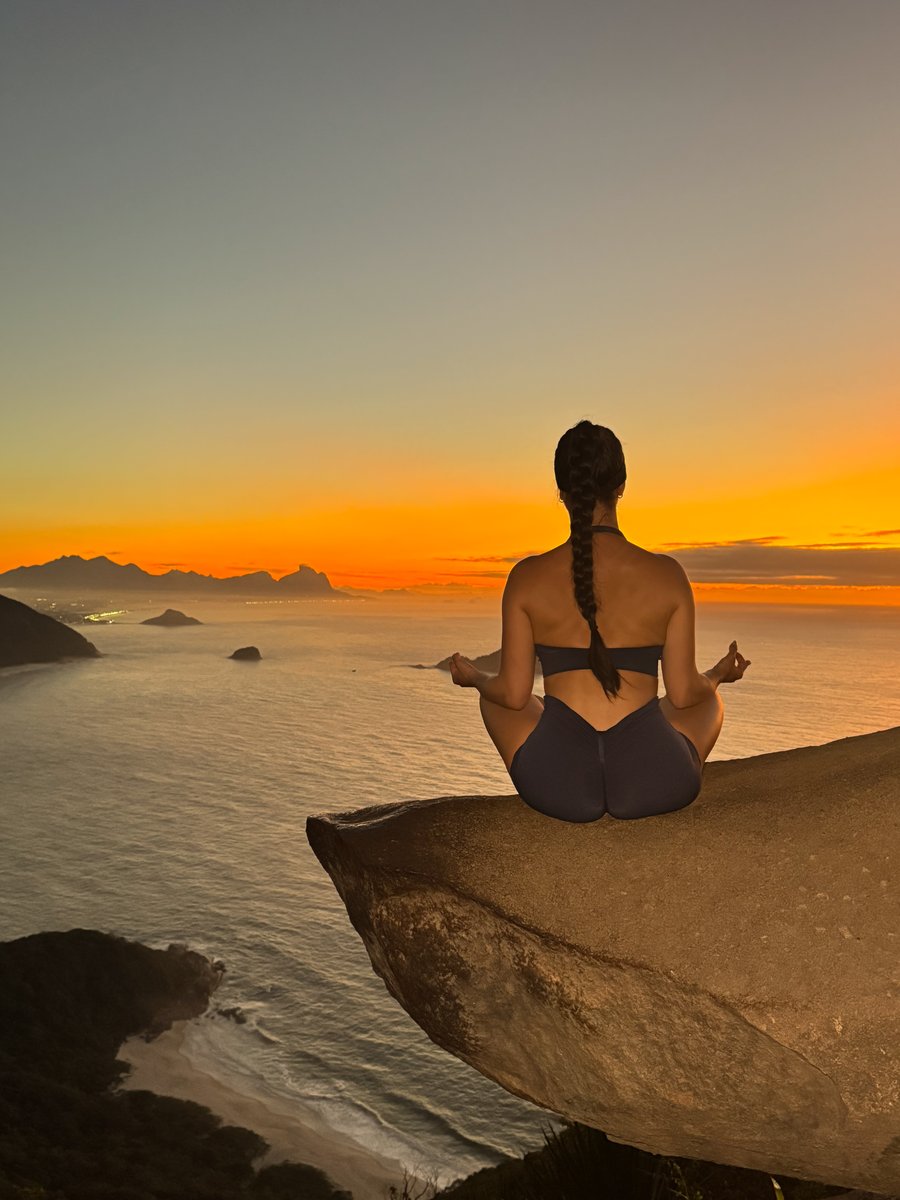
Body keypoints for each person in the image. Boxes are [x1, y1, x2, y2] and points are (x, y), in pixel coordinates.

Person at [448, 419, 751, 822]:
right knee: (707, 700)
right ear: (621, 485)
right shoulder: (667, 575)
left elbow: (514, 694)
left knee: (496, 700)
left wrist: (475, 679)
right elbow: (682, 695)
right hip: (655, 779)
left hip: (558, 782)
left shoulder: (526, 577)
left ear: (561, 491)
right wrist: (717, 675)